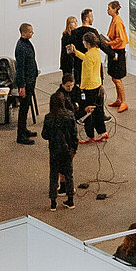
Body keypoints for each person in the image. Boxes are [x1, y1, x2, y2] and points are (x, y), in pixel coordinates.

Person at [42, 78, 80, 208]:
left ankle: (53, 202)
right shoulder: (69, 115)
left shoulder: (48, 117)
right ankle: (70, 201)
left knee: (53, 175)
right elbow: (74, 135)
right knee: (68, 174)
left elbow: (44, 135)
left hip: (54, 150)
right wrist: (74, 148)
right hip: (67, 149)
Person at [74, 33, 109, 142]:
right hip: (97, 85)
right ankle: (103, 132)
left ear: (87, 42)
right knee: (98, 111)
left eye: (84, 41)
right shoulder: (96, 52)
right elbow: (86, 58)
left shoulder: (89, 55)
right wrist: (76, 52)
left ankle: (90, 136)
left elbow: (87, 74)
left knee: (87, 112)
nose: (82, 43)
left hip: (89, 88)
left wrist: (81, 87)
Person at [13, 23, 40, 144]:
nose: (32, 33)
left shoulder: (27, 44)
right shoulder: (21, 47)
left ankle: (24, 130)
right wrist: (21, 86)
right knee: (23, 108)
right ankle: (20, 135)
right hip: (26, 82)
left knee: (27, 106)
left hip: (31, 79)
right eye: (30, 32)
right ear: (23, 33)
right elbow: (20, 68)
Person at [105, 0, 132, 112]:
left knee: (117, 79)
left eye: (109, 8)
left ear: (115, 9)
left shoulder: (118, 22)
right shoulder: (114, 20)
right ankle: (118, 99)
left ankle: (123, 101)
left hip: (118, 52)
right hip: (114, 51)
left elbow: (120, 39)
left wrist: (108, 43)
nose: (108, 10)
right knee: (114, 77)